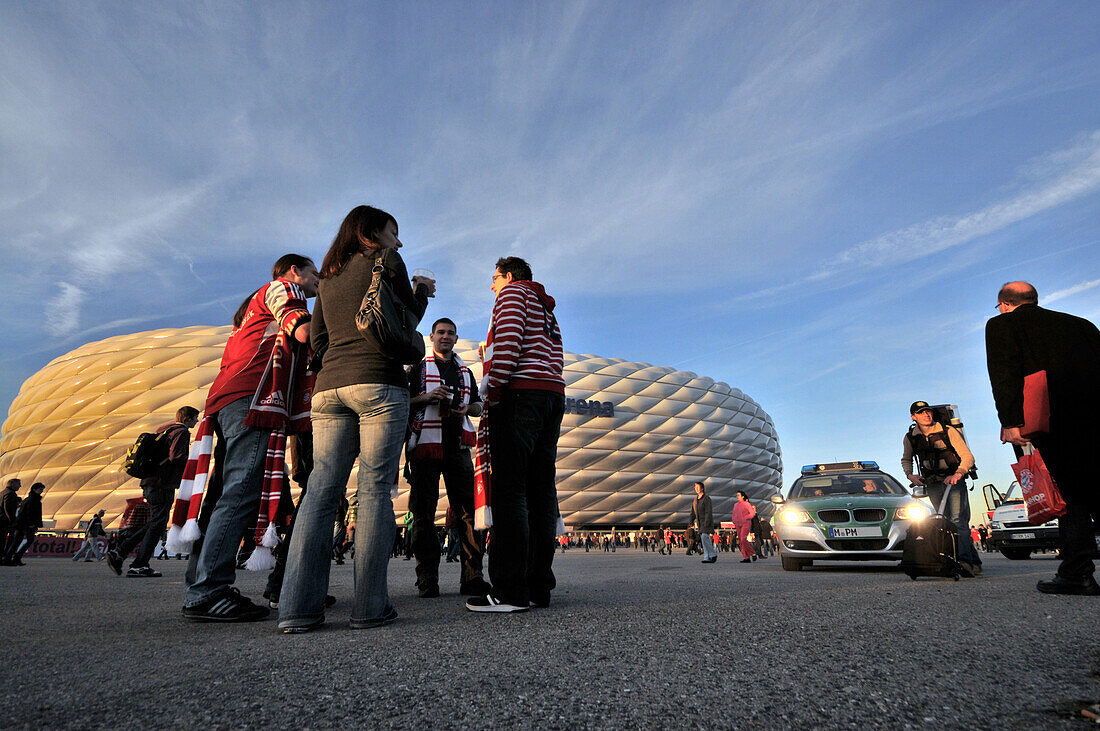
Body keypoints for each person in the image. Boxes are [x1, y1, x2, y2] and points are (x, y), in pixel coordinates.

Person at [279, 205, 433, 633]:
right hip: (379, 383)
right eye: (393, 232)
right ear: (372, 232)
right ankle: (368, 607)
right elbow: (403, 320)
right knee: (373, 491)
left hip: (329, 389)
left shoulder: (326, 277)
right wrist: (420, 291)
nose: (398, 241)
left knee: (320, 491)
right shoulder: (386, 261)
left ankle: (297, 609)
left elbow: (320, 339)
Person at [179, 254, 319, 622]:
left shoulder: (249, 315)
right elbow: (302, 330)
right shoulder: (283, 289)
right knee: (241, 491)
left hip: (227, 397)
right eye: (313, 273)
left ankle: (200, 584)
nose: (317, 279)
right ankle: (210, 591)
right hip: (252, 398)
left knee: (221, 493)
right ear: (294, 272)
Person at [986, 281, 1100, 595]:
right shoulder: (1081, 325)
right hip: (1092, 415)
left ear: (1005, 303)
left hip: (1049, 417)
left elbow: (1004, 372)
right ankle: (1076, 569)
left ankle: (1077, 572)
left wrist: (1010, 421)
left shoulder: (1002, 324)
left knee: (1069, 493)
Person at [466, 256, 565, 613]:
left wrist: (493, 392)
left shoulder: (513, 295)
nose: (492, 286)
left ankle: (510, 590)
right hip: (551, 395)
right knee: (541, 491)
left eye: (493, 279)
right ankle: (539, 585)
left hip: (520, 395)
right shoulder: (545, 306)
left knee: (510, 491)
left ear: (507, 275)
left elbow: (507, 344)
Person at [406, 317, 490, 599]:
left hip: (456, 447)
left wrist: (467, 407)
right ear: (432, 337)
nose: (445, 337)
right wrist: (426, 397)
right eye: (440, 332)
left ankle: (472, 576)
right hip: (424, 449)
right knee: (423, 515)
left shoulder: (465, 371)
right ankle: (427, 578)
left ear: (456, 338)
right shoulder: (417, 368)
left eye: (450, 333)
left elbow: (479, 405)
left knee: (468, 513)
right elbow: (403, 402)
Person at [107, 407, 199, 578]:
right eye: (195, 418)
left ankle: (120, 553)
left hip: (149, 481)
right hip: (162, 483)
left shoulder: (163, 430)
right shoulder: (182, 432)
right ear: (187, 419)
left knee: (156, 522)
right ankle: (139, 565)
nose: (197, 422)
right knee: (158, 524)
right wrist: (194, 465)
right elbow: (177, 457)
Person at [901, 400, 982, 577]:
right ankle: (974, 562)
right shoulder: (911, 437)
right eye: (921, 413)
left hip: (953, 480)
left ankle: (964, 562)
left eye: (928, 411)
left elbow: (967, 456)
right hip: (933, 483)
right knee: (945, 522)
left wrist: (958, 474)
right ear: (913, 417)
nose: (926, 415)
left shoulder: (947, 430)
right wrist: (910, 475)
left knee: (958, 520)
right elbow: (906, 459)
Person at [3, 482, 45, 565]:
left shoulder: (29, 499)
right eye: (40, 489)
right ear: (34, 489)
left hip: (21, 524)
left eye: (42, 490)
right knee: (29, 541)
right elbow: (29, 513)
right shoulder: (32, 500)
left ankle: (9, 559)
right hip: (27, 525)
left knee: (16, 542)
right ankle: (15, 558)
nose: (41, 491)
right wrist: (31, 524)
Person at [692, 482, 717, 563]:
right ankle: (711, 555)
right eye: (695, 487)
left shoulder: (706, 498)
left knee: (704, 537)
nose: (696, 489)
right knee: (704, 538)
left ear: (702, 488)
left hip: (706, 521)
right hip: (700, 522)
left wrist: (706, 521)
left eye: (698, 487)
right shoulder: (695, 499)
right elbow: (693, 511)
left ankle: (708, 556)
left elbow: (708, 511)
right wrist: (690, 521)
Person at [731, 490, 756, 563]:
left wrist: (746, 517)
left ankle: (752, 553)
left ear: (743, 496)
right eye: (737, 495)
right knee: (741, 542)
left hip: (746, 523)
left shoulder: (747, 504)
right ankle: (746, 557)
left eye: (739, 495)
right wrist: (734, 521)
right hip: (738, 524)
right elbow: (734, 514)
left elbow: (752, 514)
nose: (737, 497)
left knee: (743, 539)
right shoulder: (736, 505)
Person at [0, 478, 21, 559]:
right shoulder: (10, 494)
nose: (20, 486)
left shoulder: (2, 493)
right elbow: (8, 509)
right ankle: (4, 556)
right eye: (18, 484)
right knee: (5, 540)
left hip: (2, 520)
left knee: (2, 540)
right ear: (13, 484)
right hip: (4, 521)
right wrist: (13, 521)